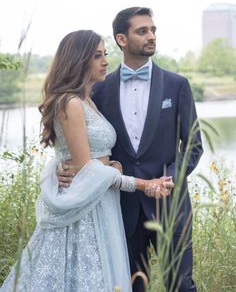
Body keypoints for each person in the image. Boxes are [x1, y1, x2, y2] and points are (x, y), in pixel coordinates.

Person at [0, 29, 174, 292]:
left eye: (105, 54)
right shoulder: (70, 103)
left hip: (101, 199)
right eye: (97, 56)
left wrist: (112, 165)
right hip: (85, 206)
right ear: (78, 60)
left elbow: (94, 164)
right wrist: (142, 183)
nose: (105, 61)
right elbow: (88, 171)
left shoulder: (88, 101)